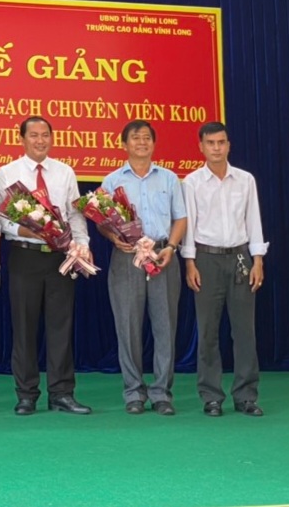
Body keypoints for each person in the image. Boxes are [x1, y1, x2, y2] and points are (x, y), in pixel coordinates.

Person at [0, 116, 93, 416]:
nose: (40, 140)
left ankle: (62, 393)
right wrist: (27, 230)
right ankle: (26, 395)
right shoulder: (6, 173)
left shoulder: (65, 172)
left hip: (60, 258)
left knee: (61, 327)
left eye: (45, 135)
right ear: (22, 139)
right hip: (24, 255)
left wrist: (82, 245)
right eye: (34, 135)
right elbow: (0, 218)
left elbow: (75, 215)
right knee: (24, 328)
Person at [182, 121, 268, 417]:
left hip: (241, 258)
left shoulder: (245, 180)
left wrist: (258, 259)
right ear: (201, 147)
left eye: (221, 142)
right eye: (210, 143)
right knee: (207, 331)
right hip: (206, 259)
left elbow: (253, 220)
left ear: (229, 145)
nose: (216, 148)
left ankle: (246, 396)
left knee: (245, 331)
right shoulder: (191, 182)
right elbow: (189, 224)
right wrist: (190, 262)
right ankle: (211, 396)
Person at [101, 120, 187, 416]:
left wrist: (171, 247)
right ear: (124, 144)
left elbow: (180, 218)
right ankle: (134, 392)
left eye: (147, 137)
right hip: (127, 258)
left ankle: (162, 393)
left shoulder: (169, 178)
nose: (141, 142)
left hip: (163, 256)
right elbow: (102, 221)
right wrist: (112, 237)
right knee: (127, 327)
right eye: (135, 138)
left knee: (165, 327)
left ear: (154, 143)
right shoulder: (112, 181)